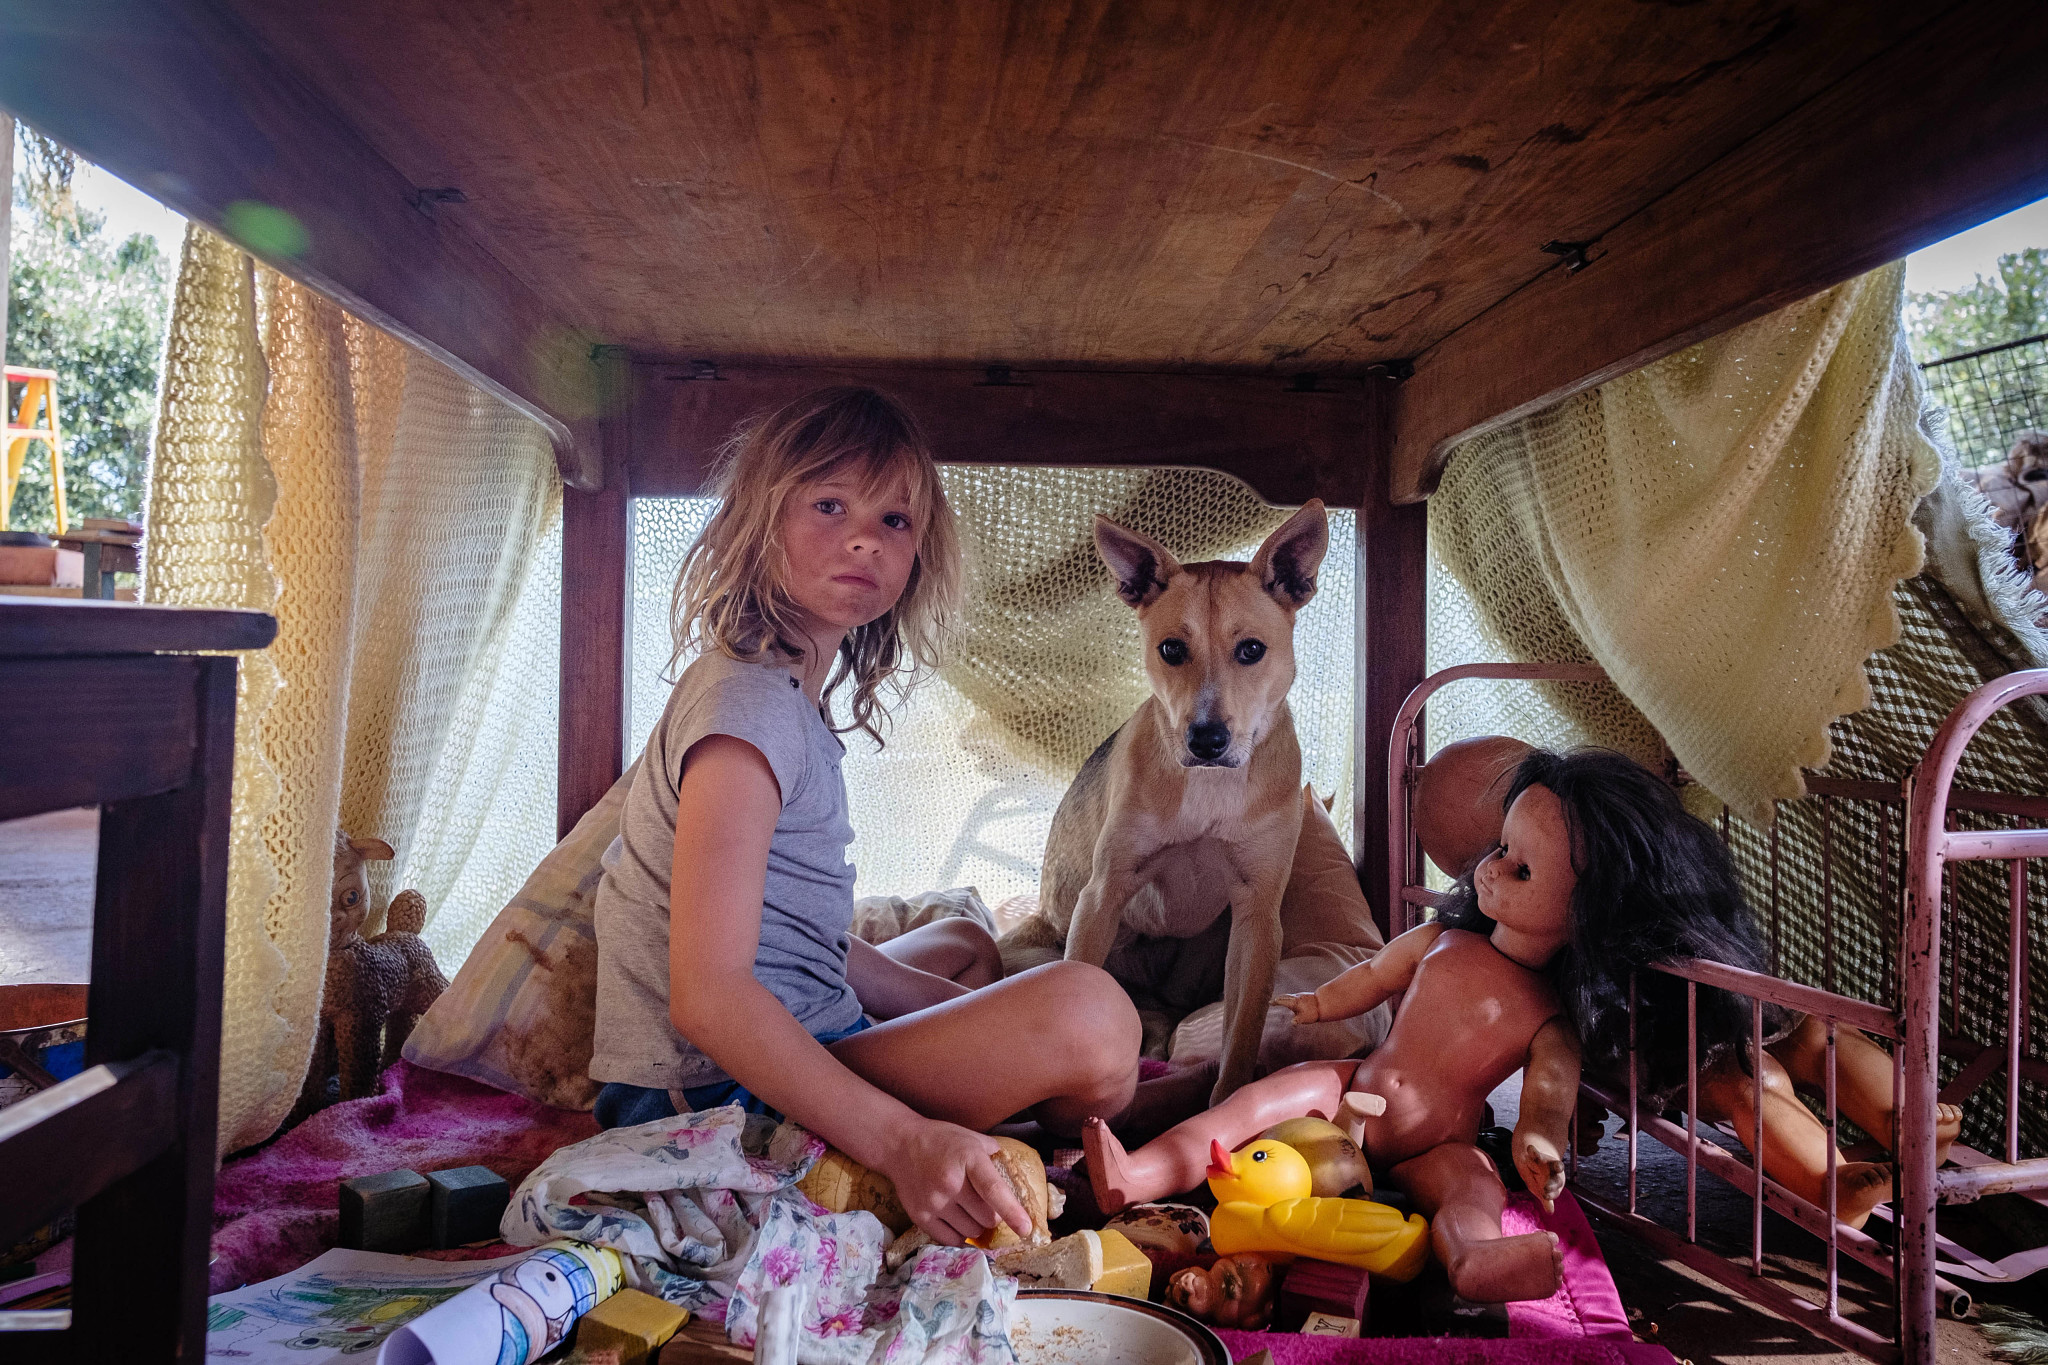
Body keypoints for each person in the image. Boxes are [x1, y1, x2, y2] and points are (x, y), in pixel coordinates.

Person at [590, 386, 1141, 1248]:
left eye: (894, 520)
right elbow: (708, 996)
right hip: (710, 1092)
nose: (863, 537)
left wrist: (983, 1004)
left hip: (794, 1033)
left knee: (964, 944)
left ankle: (1088, 1086)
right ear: (759, 521)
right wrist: (901, 1139)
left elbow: (786, 923)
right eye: (828, 504)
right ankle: (1110, 1101)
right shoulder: (749, 710)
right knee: (1096, 1016)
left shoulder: (782, 693)